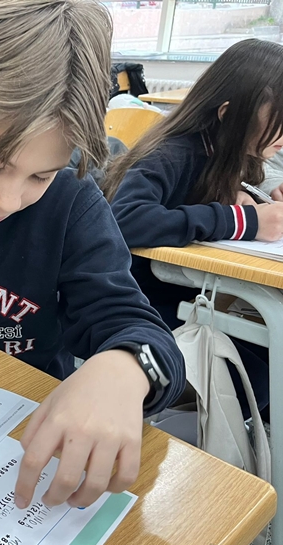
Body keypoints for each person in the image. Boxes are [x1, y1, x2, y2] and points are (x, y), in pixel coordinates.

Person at [0, 0, 185, 510]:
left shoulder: (70, 202)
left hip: (19, 453)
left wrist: (124, 369)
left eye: (40, 174)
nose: (7, 200)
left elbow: (139, 329)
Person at [105, 39, 283, 417]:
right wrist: (244, 222)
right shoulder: (174, 152)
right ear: (228, 115)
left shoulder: (227, 151)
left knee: (269, 361)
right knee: (258, 377)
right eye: (279, 122)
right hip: (144, 303)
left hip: (195, 293)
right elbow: (124, 218)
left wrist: (264, 195)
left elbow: (222, 195)